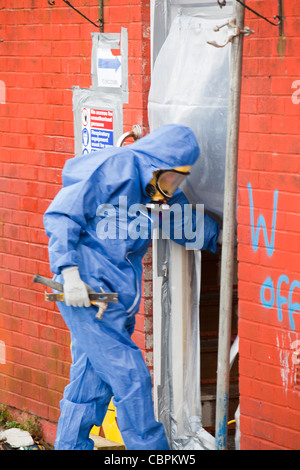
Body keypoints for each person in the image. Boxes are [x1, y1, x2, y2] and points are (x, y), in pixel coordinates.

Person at [44, 124, 221, 450]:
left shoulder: (154, 191)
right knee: (132, 381)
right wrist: (68, 273)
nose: (173, 186)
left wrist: (229, 236)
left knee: (88, 388)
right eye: (171, 178)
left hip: (113, 304)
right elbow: (61, 214)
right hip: (88, 297)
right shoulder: (114, 170)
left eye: (180, 180)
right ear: (157, 163)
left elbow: (184, 222)